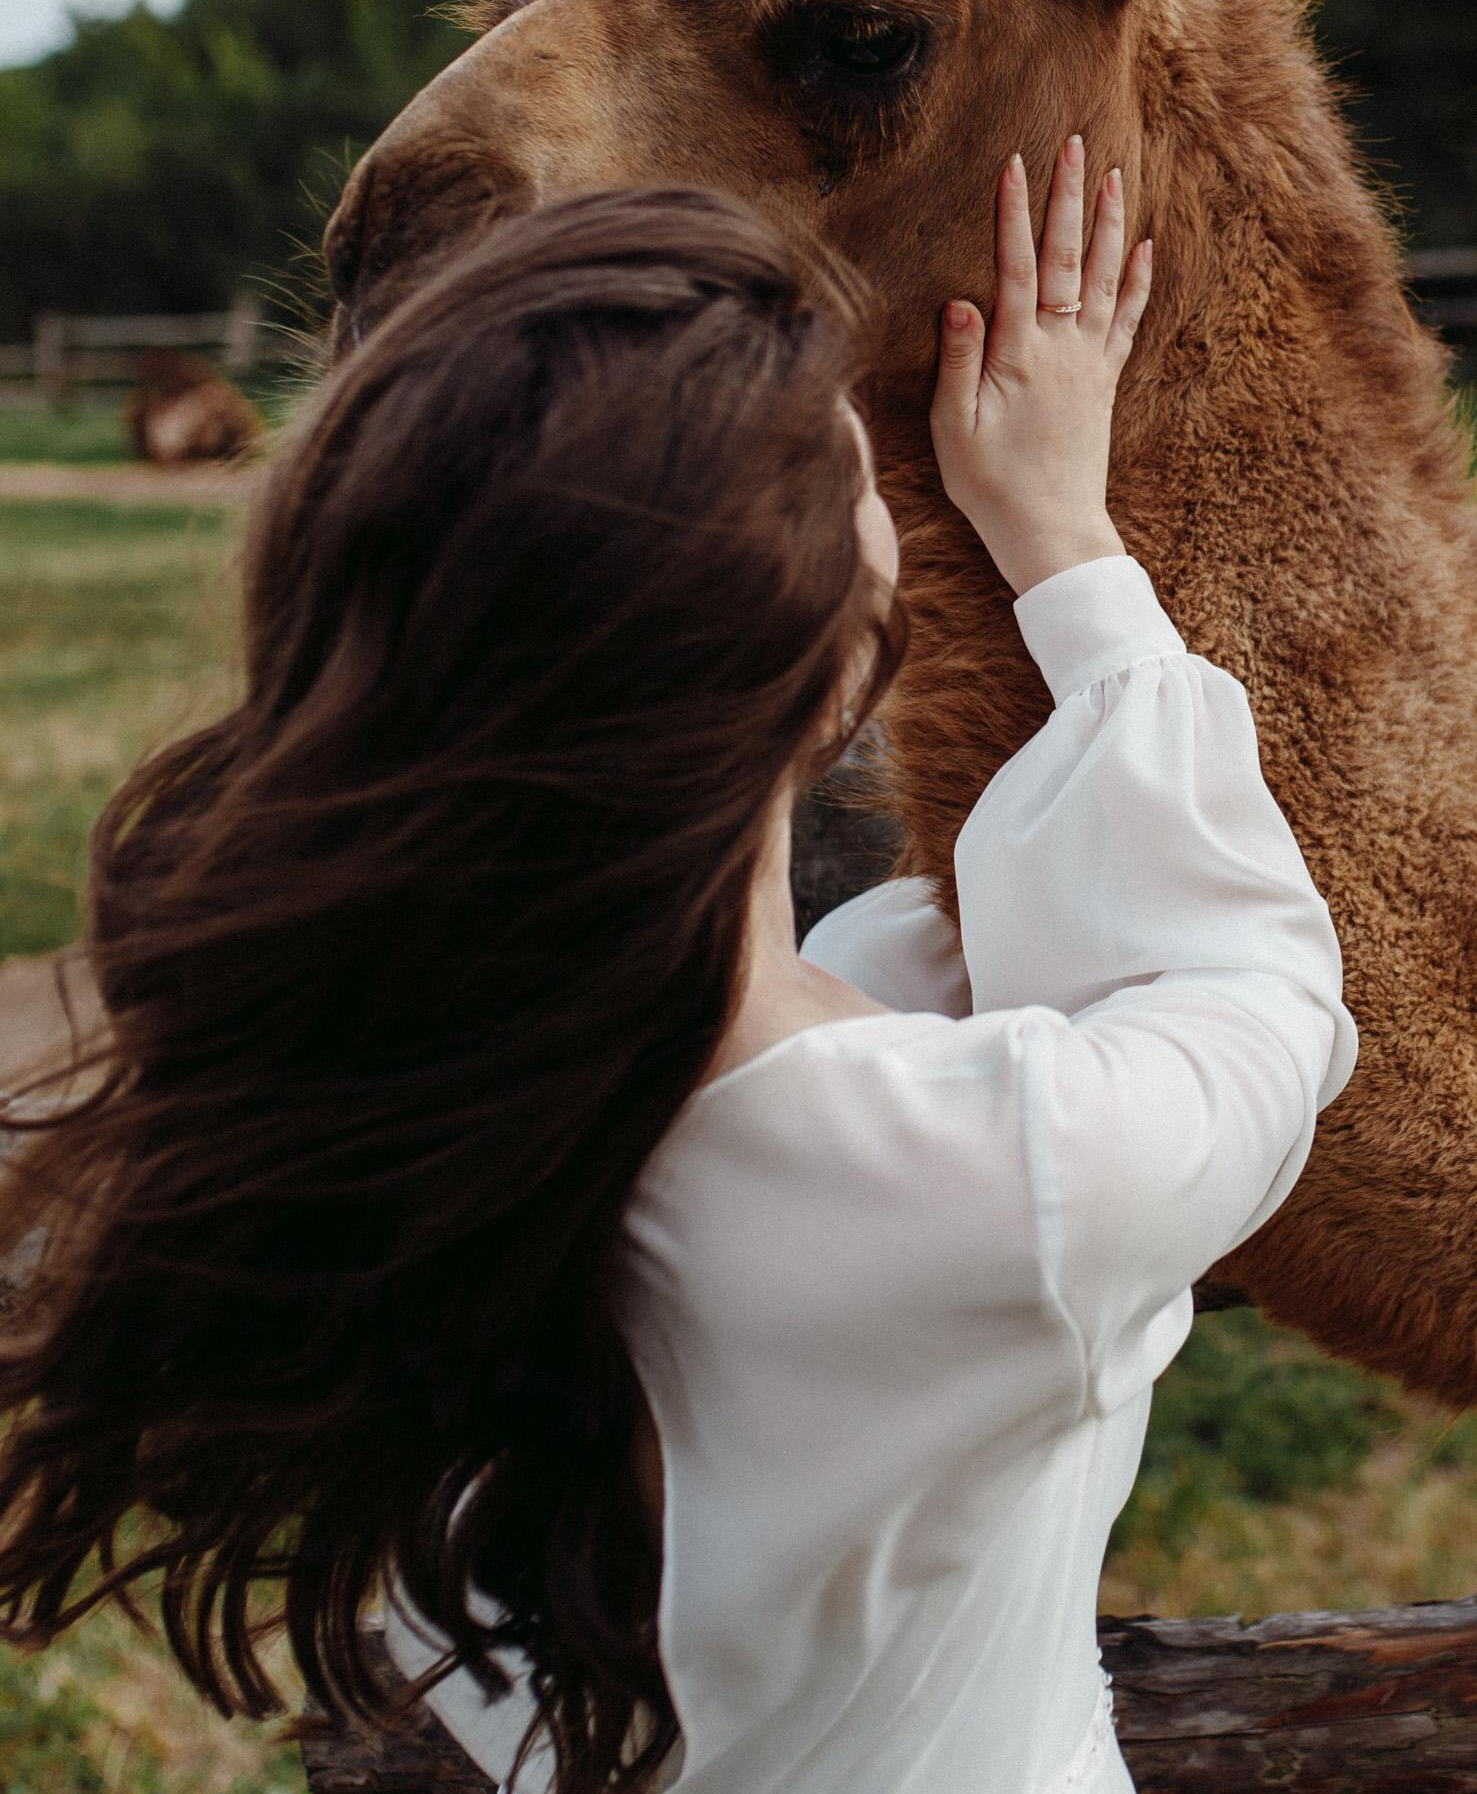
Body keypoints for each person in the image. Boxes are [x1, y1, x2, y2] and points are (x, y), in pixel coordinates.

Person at [0, 143, 1352, 1794]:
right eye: (866, 480)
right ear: (834, 662)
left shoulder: (321, 1129)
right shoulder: (1013, 1188)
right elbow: (1260, 996)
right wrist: (1063, 540)